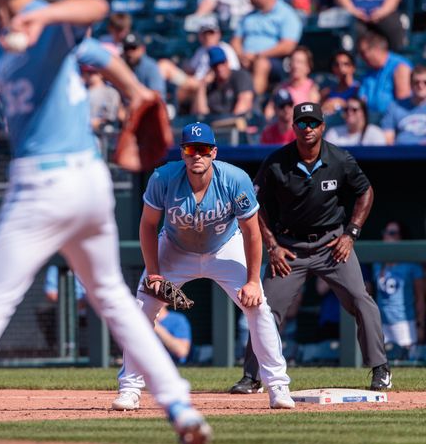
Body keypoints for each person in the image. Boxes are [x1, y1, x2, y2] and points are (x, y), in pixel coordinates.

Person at [0, 0, 211, 444]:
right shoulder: (30, 43)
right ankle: (180, 406)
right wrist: (124, 83)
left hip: (41, 187)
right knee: (115, 298)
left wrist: (130, 89)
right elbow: (93, 19)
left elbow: (92, 17)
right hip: (88, 185)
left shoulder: (25, 42)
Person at [113, 122, 293, 411]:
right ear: (182, 153)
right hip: (175, 249)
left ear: (214, 152)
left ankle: (278, 386)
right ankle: (130, 388)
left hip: (224, 246)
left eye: (204, 149)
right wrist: (155, 273)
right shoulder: (163, 178)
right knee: (143, 307)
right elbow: (147, 226)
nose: (197, 155)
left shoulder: (235, 179)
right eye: (190, 149)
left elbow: (252, 232)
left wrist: (252, 280)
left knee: (258, 307)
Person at [234, 101, 391, 394]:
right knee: (265, 309)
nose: (307, 128)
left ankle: (381, 369)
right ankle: (252, 376)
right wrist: (272, 245)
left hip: (331, 244)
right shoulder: (277, 161)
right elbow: (255, 205)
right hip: (289, 247)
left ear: (322, 126)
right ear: (293, 127)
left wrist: (350, 234)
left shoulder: (339, 158)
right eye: (302, 123)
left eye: (313, 123)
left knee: (361, 299)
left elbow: (365, 191)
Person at [232, 0, 302, 96]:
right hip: (245, 59)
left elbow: (288, 46)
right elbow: (236, 41)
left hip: (274, 61)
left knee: (261, 64)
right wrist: (241, 56)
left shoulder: (286, 14)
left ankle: (252, 105)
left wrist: (257, 55)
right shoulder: (248, 17)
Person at [371, 221, 426, 350]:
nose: (387, 236)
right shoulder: (377, 264)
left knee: (406, 364)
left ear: (401, 237)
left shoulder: (412, 266)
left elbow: (420, 298)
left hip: (405, 324)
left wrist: (420, 325)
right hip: (382, 323)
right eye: (385, 232)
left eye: (392, 233)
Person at [357, 31, 411, 118]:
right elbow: (361, 99)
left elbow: (403, 104)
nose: (361, 57)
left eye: (363, 52)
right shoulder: (368, 72)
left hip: (390, 123)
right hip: (368, 121)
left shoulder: (400, 67)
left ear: (376, 49)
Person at [193, 46, 254, 118]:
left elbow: (243, 106)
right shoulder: (210, 86)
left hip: (239, 123)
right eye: (215, 65)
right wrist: (202, 87)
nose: (219, 68)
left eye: (222, 63)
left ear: (227, 62)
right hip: (216, 125)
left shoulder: (241, 76)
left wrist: (230, 123)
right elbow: (201, 115)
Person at [265, 46, 320, 120]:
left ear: (308, 67)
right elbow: (269, 114)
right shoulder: (280, 87)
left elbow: (312, 116)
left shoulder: (312, 88)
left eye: (300, 62)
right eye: (293, 61)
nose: (295, 65)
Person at [382, 66, 426, 145]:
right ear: (410, 84)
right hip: (400, 154)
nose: (421, 86)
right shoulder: (395, 107)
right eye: (416, 82)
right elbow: (388, 138)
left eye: (425, 82)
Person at [122, 33, 167, 99]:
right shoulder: (120, 65)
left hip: (147, 106)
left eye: (133, 48)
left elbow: (157, 95)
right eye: (126, 48)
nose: (129, 52)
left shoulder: (150, 67)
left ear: (142, 49)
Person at [321, 50, 361, 115]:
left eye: (346, 64)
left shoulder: (359, 89)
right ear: (333, 68)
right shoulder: (327, 93)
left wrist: (341, 103)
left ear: (353, 67)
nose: (341, 68)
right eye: (337, 65)